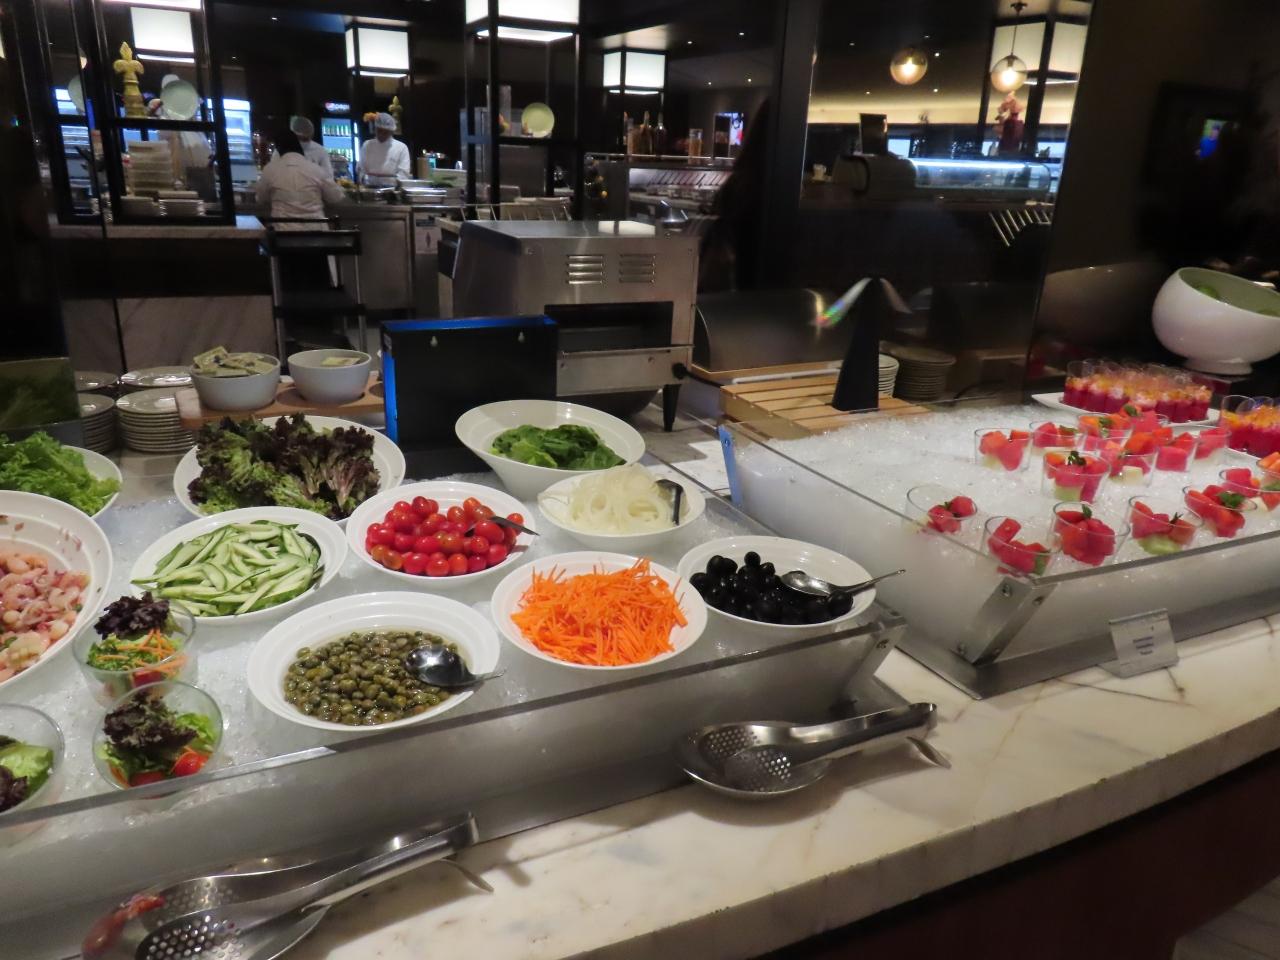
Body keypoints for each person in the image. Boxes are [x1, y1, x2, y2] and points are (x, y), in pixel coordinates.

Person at [256, 128, 345, 224]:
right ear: (300, 148)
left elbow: (261, 199)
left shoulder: (270, 170)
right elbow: (335, 198)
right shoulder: (316, 170)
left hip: (282, 230)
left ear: (278, 150)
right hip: (316, 229)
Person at [359, 112, 410, 185]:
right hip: (369, 188)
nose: (381, 134)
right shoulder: (367, 145)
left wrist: (391, 183)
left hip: (392, 189)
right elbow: (361, 169)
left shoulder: (401, 148)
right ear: (375, 129)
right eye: (379, 131)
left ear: (392, 132)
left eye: (385, 132)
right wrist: (363, 178)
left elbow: (404, 174)